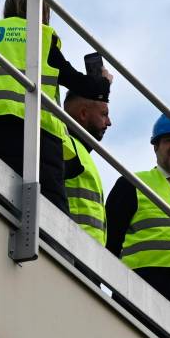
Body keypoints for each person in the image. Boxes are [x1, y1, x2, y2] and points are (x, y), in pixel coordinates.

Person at [0, 0, 111, 214]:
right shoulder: (40, 37)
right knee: (51, 220)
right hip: (32, 138)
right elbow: (81, 85)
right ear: (44, 12)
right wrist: (103, 82)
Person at [105, 111, 170, 324]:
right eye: (169, 140)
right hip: (138, 285)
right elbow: (110, 243)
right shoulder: (132, 183)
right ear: (155, 146)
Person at [63, 90, 111, 245]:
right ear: (83, 114)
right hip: (72, 247)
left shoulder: (79, 151)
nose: (109, 122)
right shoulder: (66, 145)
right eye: (104, 114)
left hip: (86, 252)